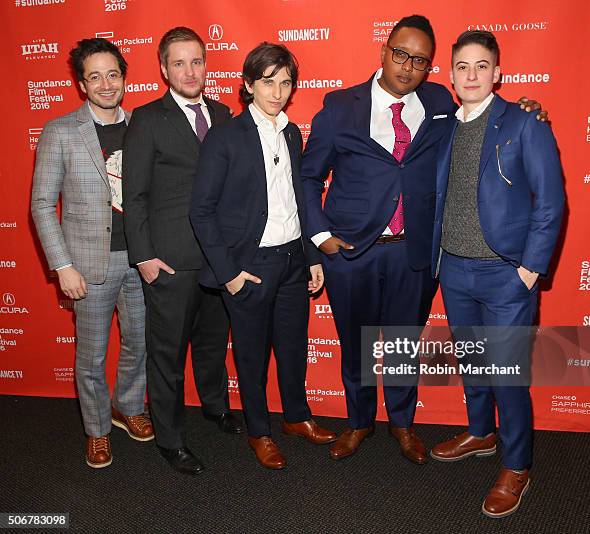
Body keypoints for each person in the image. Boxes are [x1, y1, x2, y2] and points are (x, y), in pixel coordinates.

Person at [301, 14, 546, 463]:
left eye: (420, 60)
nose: (408, 66)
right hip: (351, 252)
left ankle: (401, 424)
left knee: (401, 348)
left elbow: (486, 115)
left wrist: (525, 110)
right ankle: (358, 423)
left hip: (412, 254)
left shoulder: (438, 102)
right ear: (383, 52)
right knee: (354, 345)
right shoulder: (339, 107)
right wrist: (320, 237)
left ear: (431, 68)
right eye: (401, 54)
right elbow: (309, 176)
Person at [429, 30, 565, 518]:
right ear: (450, 74)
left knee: (508, 376)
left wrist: (529, 270)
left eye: (481, 66)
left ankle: (517, 465)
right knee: (472, 367)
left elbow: (551, 203)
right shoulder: (445, 125)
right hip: (454, 271)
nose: (471, 75)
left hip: (506, 276)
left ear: (498, 73)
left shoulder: (525, 123)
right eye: (462, 66)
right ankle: (480, 433)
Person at [190, 42, 336, 469]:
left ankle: (296, 417)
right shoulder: (225, 136)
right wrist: (229, 272)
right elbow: (201, 209)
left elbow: (298, 201)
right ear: (248, 84)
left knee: (293, 347)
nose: (277, 91)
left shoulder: (291, 132)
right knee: (251, 355)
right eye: (267, 82)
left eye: (285, 82)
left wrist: (311, 255)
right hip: (249, 266)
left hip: (293, 259)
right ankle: (259, 430)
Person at [122, 27, 241, 476]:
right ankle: (169, 439)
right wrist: (145, 257)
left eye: (197, 61)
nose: (190, 71)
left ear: (207, 64)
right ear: (163, 69)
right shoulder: (148, 119)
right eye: (179, 63)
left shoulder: (225, 114)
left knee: (212, 345)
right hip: (170, 261)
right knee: (167, 355)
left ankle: (214, 407)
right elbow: (133, 196)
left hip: (218, 258)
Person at [31, 38, 153, 469]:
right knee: (91, 356)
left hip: (142, 261)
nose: (105, 84)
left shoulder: (144, 124)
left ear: (124, 77)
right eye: (95, 76)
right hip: (87, 265)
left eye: (113, 74)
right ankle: (98, 430)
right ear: (82, 84)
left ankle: (128, 406)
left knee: (140, 344)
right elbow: (43, 205)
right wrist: (62, 266)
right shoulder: (61, 131)